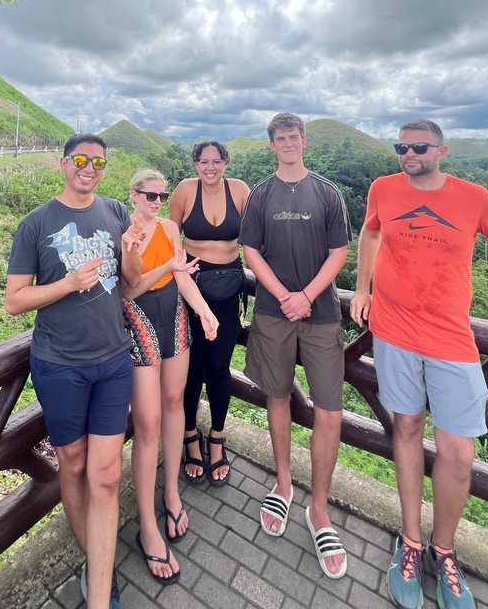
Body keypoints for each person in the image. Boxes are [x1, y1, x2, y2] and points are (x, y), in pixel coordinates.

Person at [350, 118, 488, 609]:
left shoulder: (473, 197)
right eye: (400, 147)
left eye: (418, 147)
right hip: (393, 332)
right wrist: (363, 288)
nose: (407, 154)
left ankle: (443, 549)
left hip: (452, 339)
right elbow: (369, 235)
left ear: (441, 151)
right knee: (406, 427)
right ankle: (410, 542)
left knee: (458, 451)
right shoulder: (382, 189)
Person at [5, 134, 145, 609]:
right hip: (60, 365)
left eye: (99, 163)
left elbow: (130, 285)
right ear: (64, 164)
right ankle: (94, 560)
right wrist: (66, 283)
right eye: (81, 161)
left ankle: (100, 597)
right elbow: (14, 301)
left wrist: (131, 250)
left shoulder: (114, 212)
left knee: (105, 477)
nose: (90, 169)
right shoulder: (36, 223)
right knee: (75, 464)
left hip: (112, 361)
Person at [240, 112, 352, 579]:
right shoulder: (261, 194)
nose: (287, 143)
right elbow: (251, 251)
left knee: (329, 409)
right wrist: (285, 296)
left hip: (321, 313)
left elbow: (339, 252)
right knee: (277, 396)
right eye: (279, 138)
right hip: (271, 310)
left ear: (304, 142)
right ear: (272, 146)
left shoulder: (326, 193)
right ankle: (284, 485)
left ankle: (319, 510)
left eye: (293, 137)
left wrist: (305, 295)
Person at [122, 170, 219, 586]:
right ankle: (147, 522)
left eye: (162, 195)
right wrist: (166, 262)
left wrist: (202, 309)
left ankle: (171, 492)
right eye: (149, 195)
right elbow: (129, 289)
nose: (157, 201)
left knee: (176, 403)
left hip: (173, 314)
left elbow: (181, 275)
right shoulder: (125, 233)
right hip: (141, 316)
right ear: (133, 195)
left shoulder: (170, 227)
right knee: (146, 423)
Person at [170, 141, 251, 487]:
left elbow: (258, 237)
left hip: (230, 286)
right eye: (203, 161)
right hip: (190, 288)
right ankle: (190, 434)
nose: (210, 167)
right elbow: (172, 240)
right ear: (195, 163)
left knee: (219, 367)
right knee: (191, 368)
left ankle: (216, 437)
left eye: (217, 161)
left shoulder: (241, 191)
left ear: (226, 163)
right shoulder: (185, 191)